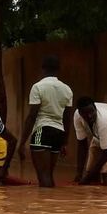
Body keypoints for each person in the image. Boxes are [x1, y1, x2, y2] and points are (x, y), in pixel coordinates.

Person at [17, 55, 73, 187]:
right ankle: (50, 205)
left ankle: (44, 205)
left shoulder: (38, 87)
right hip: (59, 133)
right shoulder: (67, 89)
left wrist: (22, 143)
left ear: (42, 69)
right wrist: (64, 142)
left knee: (43, 175)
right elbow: (67, 117)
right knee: (49, 175)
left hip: (42, 130)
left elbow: (32, 116)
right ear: (58, 69)